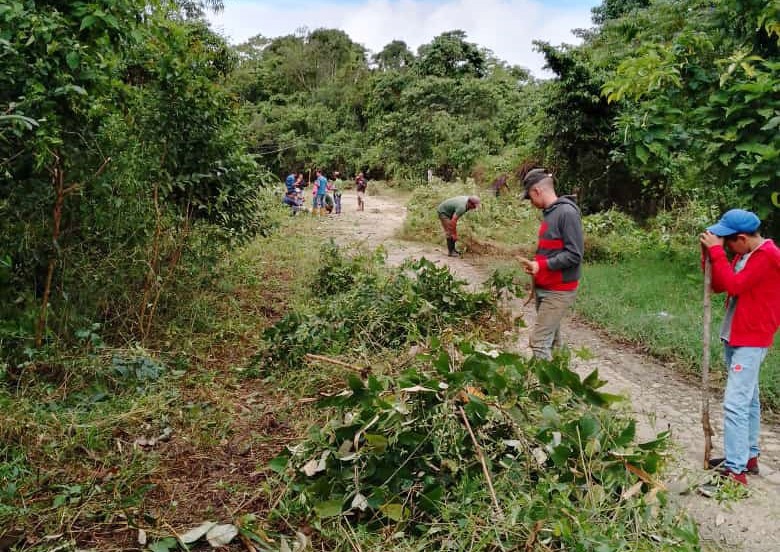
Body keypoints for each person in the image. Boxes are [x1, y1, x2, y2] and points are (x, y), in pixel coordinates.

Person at [700, 209, 780, 485]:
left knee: (735, 404)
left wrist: (718, 253)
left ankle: (736, 470)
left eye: (727, 241)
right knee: (748, 399)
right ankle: (747, 456)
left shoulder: (768, 257)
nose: (724, 245)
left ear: (742, 238)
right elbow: (720, 285)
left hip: (752, 337)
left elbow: (735, 285)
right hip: (735, 333)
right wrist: (710, 253)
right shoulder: (743, 254)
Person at [519, 168, 584, 361]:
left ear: (536, 191)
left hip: (559, 290)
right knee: (553, 341)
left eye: (530, 197)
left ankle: (543, 389)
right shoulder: (551, 213)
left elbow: (574, 255)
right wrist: (535, 265)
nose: (531, 203)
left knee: (539, 342)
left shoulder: (567, 213)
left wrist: (542, 266)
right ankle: (560, 381)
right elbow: (552, 251)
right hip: (546, 287)